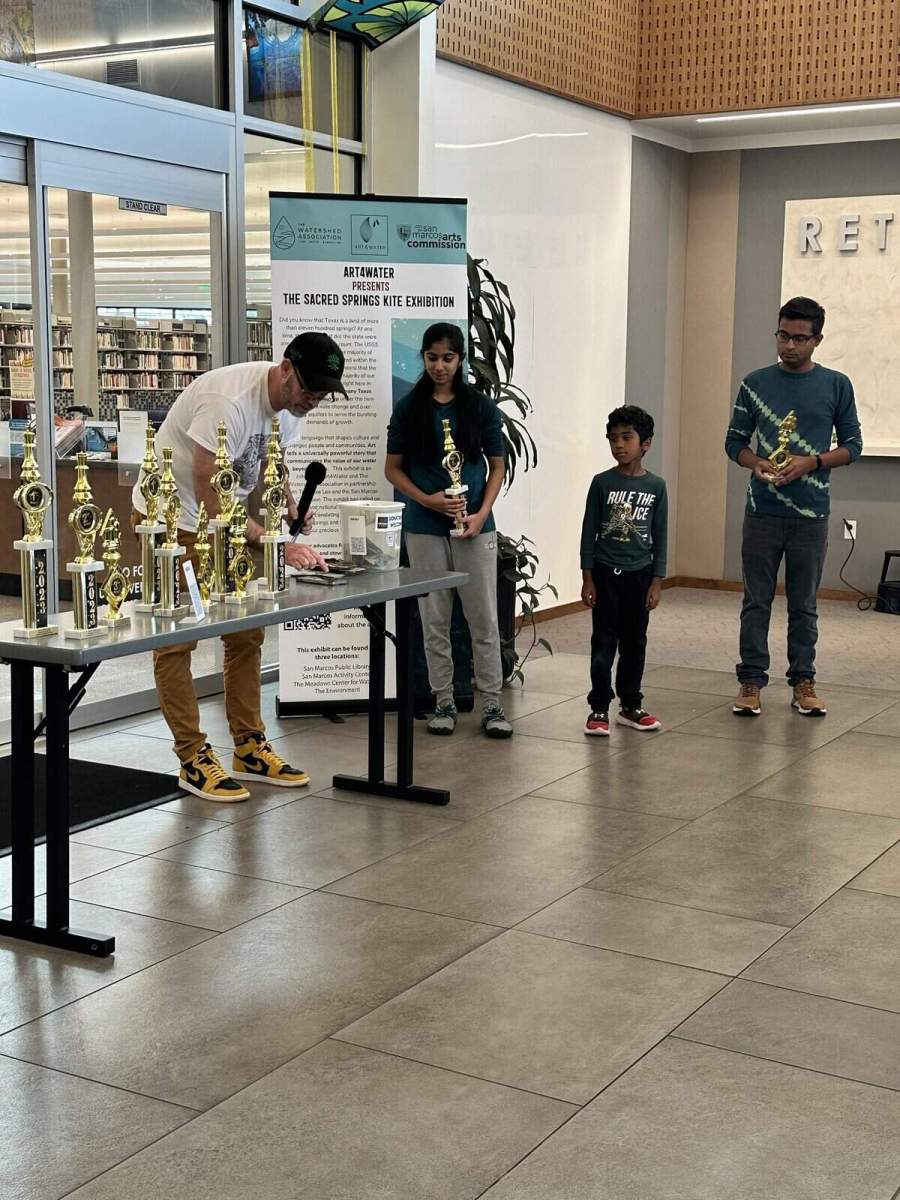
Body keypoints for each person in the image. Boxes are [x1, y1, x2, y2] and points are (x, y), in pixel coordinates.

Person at [131, 332, 347, 801]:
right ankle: (192, 757)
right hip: (172, 522)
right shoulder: (226, 402)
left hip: (221, 524)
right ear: (285, 368)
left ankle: (249, 748)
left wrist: (290, 508)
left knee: (247, 632)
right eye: (309, 388)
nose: (313, 399)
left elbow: (273, 463)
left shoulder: (290, 410)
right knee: (177, 640)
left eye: (323, 393)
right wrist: (272, 542)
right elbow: (211, 492)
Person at [725, 296, 862, 718]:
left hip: (810, 514)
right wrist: (755, 462)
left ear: (817, 339)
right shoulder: (754, 383)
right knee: (756, 601)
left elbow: (853, 446)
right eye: (783, 335)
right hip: (762, 510)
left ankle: (803, 681)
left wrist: (812, 462)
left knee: (804, 605)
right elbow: (734, 442)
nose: (789, 345)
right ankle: (751, 681)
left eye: (799, 338)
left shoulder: (836, 385)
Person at [385, 322, 512, 738]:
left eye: (448, 358)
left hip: (476, 528)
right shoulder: (409, 407)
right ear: (423, 358)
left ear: (460, 360)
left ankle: (492, 703)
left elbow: (497, 466)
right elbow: (392, 470)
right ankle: (443, 701)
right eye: (432, 357)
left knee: (483, 619)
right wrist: (428, 500)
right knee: (433, 618)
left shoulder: (480, 407)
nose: (439, 366)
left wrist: (482, 513)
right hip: (423, 528)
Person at [580, 405, 667, 737]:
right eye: (613, 438)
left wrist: (656, 582)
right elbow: (589, 532)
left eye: (627, 437)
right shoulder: (601, 483)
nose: (619, 444)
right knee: (603, 642)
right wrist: (588, 577)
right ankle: (599, 707)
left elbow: (660, 535)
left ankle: (630, 705)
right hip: (605, 574)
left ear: (646, 443)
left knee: (635, 642)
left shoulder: (656, 486)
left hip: (640, 575)